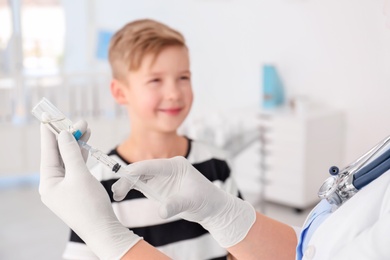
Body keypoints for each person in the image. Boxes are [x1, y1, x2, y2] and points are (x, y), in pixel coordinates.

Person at [63, 19, 243, 260]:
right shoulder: (99, 185)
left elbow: (241, 247)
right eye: (155, 80)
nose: (174, 93)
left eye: (183, 77)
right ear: (120, 92)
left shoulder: (216, 164)